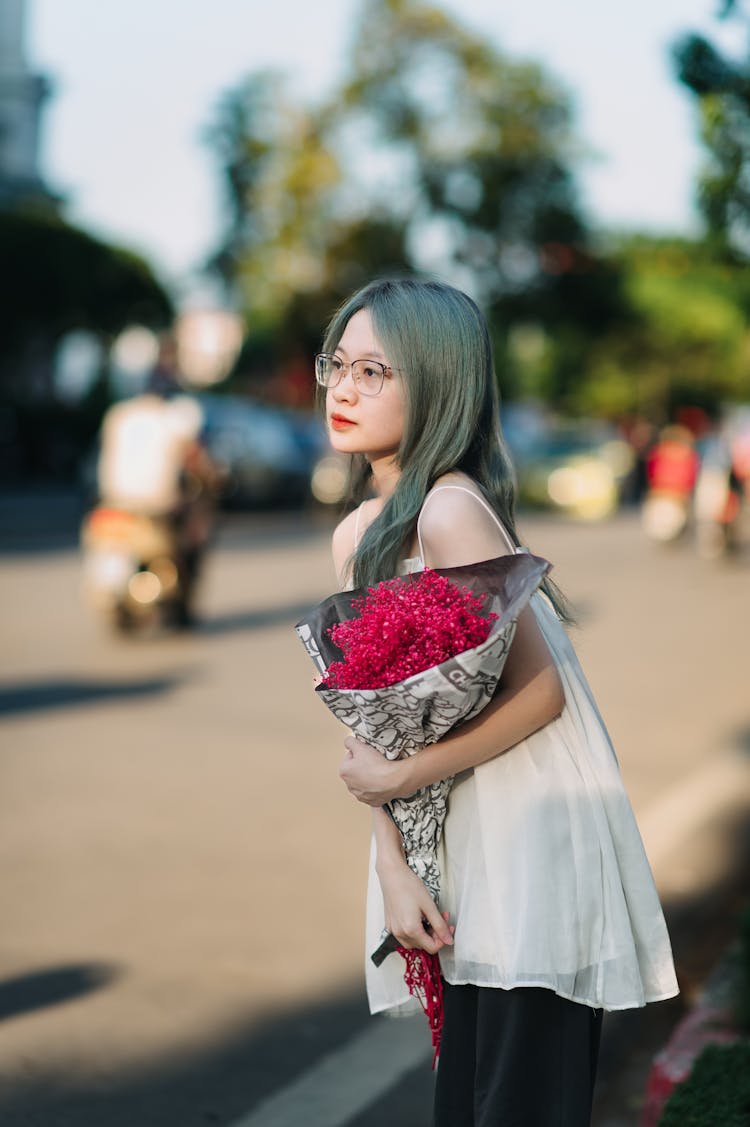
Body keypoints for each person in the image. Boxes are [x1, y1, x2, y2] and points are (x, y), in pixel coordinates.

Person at [315, 278, 678, 1126]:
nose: (342, 388)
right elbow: (379, 731)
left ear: (441, 382)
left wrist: (399, 786)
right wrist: (392, 866)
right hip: (460, 848)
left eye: (375, 370)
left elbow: (543, 694)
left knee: (516, 1104)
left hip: (532, 842)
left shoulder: (450, 510)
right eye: (339, 361)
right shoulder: (359, 535)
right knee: (470, 1102)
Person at [96, 335, 219, 623]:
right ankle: (181, 600)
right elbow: (199, 463)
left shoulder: (118, 415)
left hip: (110, 501)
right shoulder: (177, 417)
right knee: (195, 529)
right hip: (156, 507)